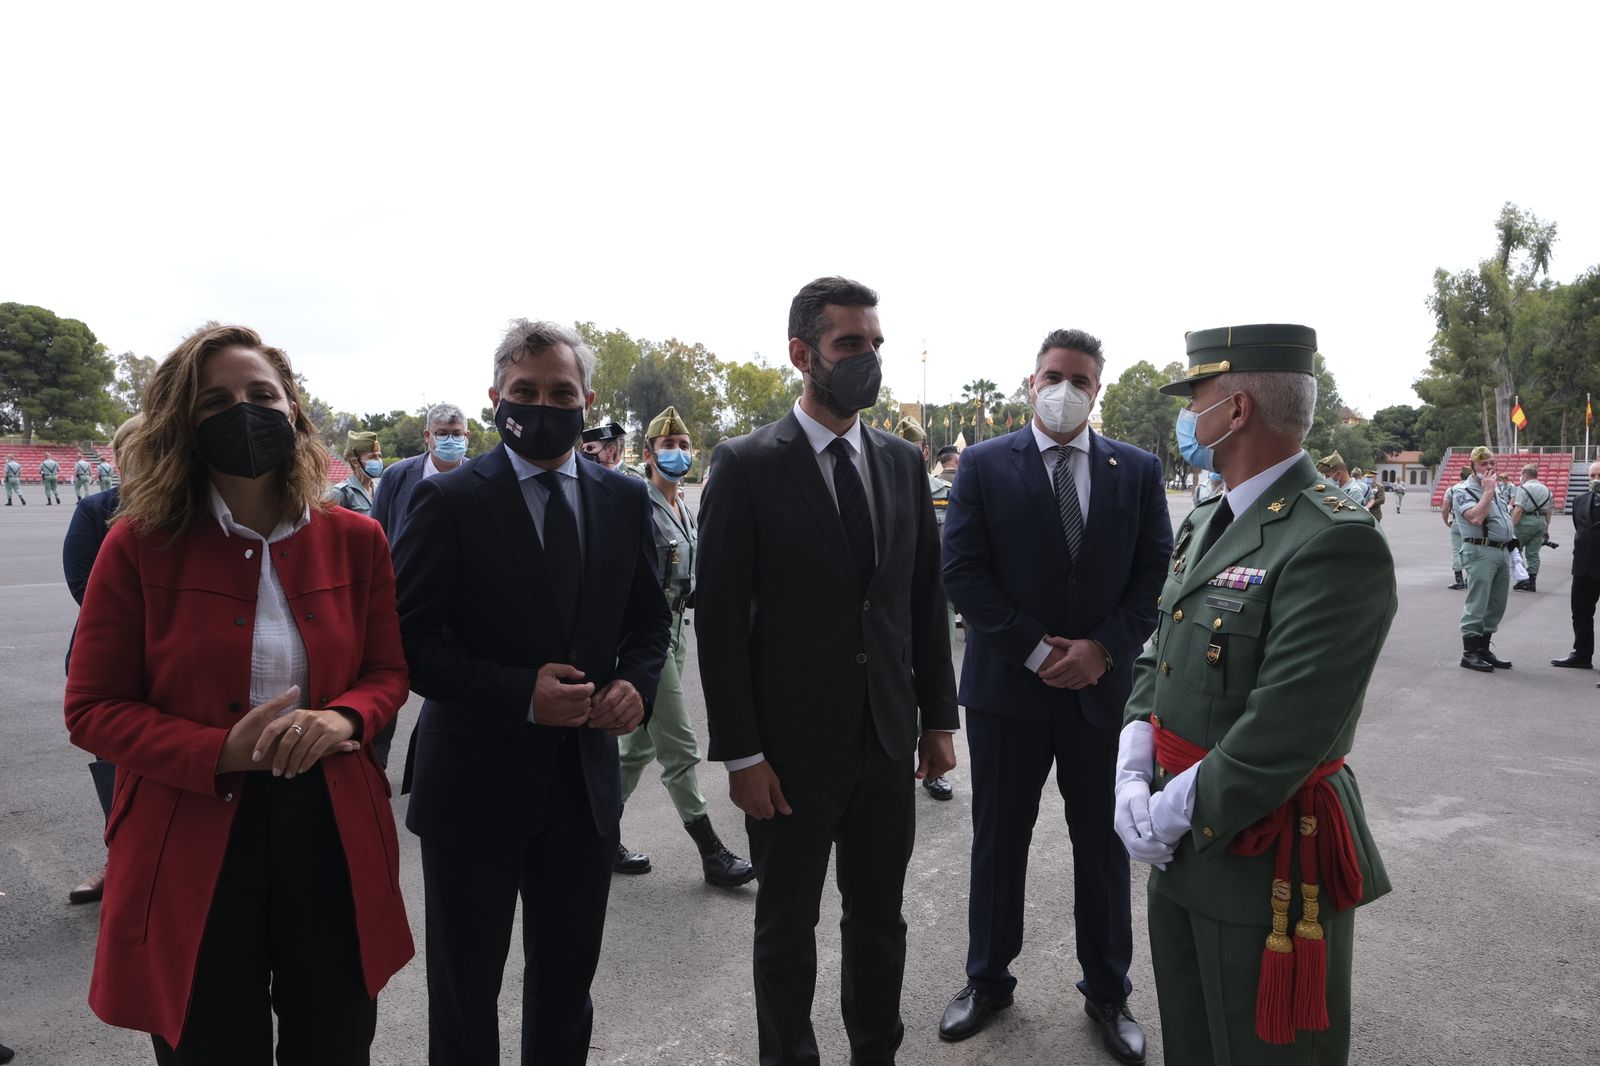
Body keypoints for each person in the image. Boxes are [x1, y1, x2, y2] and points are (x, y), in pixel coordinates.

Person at [63, 324, 414, 1065]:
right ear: (183, 423)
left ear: (294, 412)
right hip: (189, 835)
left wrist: (344, 716)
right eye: (215, 400)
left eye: (262, 395)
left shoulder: (357, 539)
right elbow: (92, 707)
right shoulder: (136, 544)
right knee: (212, 1045)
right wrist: (218, 750)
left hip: (330, 827)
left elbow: (387, 674)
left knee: (336, 1039)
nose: (244, 412)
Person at [393, 319, 671, 1065]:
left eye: (560, 392)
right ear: (496, 398)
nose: (542, 404)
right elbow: (407, 642)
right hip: (472, 787)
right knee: (463, 990)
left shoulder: (622, 499)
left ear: (587, 400)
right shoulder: (449, 501)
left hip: (580, 789)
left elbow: (650, 625)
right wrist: (520, 693)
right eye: (525, 392)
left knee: (564, 985)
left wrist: (634, 688)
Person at [1116, 323, 1396, 1065]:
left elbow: (1286, 727)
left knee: (1263, 1050)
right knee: (1193, 1038)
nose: (1189, 416)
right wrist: (1131, 762)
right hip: (1179, 842)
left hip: (1262, 853)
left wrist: (1172, 812)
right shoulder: (1211, 516)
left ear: (1234, 411)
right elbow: (1161, 648)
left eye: (1197, 397)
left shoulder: (1333, 538)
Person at [696, 276, 959, 1066]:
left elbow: (922, 599)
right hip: (787, 755)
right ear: (802, 354)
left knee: (880, 922)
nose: (868, 359)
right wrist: (741, 755)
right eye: (851, 345)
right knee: (785, 930)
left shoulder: (901, 464)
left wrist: (938, 720)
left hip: (885, 739)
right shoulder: (744, 466)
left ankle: (875, 1051)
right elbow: (718, 622)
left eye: (874, 343)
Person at [936, 329, 1170, 1064]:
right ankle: (987, 980)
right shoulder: (981, 464)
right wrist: (1039, 649)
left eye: (1079, 378)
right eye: (1052, 375)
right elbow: (964, 572)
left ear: (1096, 389)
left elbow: (1152, 573)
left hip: (1102, 690)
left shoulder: (1135, 469)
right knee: (999, 839)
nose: (1063, 387)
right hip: (1010, 689)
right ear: (1029, 382)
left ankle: (1108, 990)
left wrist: (1101, 648)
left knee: (1103, 848)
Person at [614, 406, 755, 886]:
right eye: (667, 446)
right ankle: (711, 852)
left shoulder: (682, 506)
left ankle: (597, 831)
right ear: (649, 453)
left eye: (683, 445)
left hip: (677, 631)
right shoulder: (637, 500)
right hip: (647, 639)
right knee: (679, 745)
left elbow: (687, 575)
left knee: (634, 749)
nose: (677, 453)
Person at [61, 415, 144, 905]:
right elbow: (83, 586)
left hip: (184, 662)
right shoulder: (96, 510)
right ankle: (121, 860)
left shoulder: (197, 508)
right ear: (118, 458)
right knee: (118, 766)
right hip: (113, 661)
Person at [895, 415, 955, 801]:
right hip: (892, 600)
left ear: (925, 452)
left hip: (937, 592)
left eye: (914, 449)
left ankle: (932, 767)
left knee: (932, 672)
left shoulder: (944, 490)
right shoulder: (879, 479)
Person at [1453, 446, 1517, 671]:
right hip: (1480, 551)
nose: (1489, 468)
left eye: (1492, 463)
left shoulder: (1496, 489)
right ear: (1472, 466)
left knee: (1497, 603)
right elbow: (1476, 517)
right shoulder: (1462, 491)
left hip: (1501, 551)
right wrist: (1488, 491)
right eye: (1483, 464)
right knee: (1478, 601)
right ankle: (1469, 653)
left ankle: (1483, 649)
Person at [372, 402, 470, 545]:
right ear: (427, 436)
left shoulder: (479, 477)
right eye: (442, 434)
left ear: (466, 436)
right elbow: (377, 531)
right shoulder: (395, 476)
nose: (450, 440)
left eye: (456, 434)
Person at [1550, 460, 1600, 679]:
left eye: (1599, 475)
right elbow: (1580, 530)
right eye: (1592, 476)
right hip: (1583, 567)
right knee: (1580, 613)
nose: (1596, 479)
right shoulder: (1579, 501)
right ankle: (1581, 655)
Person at [1511, 463, 1553, 592]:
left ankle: (1523, 579)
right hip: (1541, 522)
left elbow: (1518, 509)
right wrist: (1546, 528)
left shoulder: (1523, 489)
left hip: (1525, 522)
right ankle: (1532, 581)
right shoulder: (1547, 490)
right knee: (1534, 554)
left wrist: (1510, 527)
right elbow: (1549, 511)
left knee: (1517, 551)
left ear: (1525, 474)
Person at [327, 431, 382, 515]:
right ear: (355, 462)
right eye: (372, 457)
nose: (378, 461)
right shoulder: (340, 493)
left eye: (379, 456)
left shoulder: (379, 489)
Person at [1443, 466, 1470, 589]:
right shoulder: (1474, 488)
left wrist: (1446, 521)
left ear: (1460, 475)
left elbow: (1444, 508)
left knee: (1456, 550)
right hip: (1471, 523)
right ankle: (1470, 578)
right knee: (1471, 550)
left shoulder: (1452, 489)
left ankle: (1459, 580)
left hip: (1457, 521)